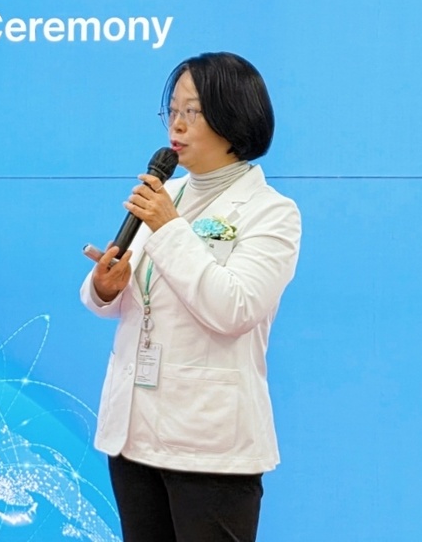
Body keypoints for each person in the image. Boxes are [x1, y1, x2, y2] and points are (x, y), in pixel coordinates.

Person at [80, 52, 301, 542]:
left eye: (192, 112)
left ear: (234, 118)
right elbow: (145, 296)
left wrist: (168, 229)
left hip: (210, 446)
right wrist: (104, 288)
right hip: (134, 435)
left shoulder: (271, 212)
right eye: (172, 111)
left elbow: (234, 308)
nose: (176, 126)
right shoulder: (167, 195)